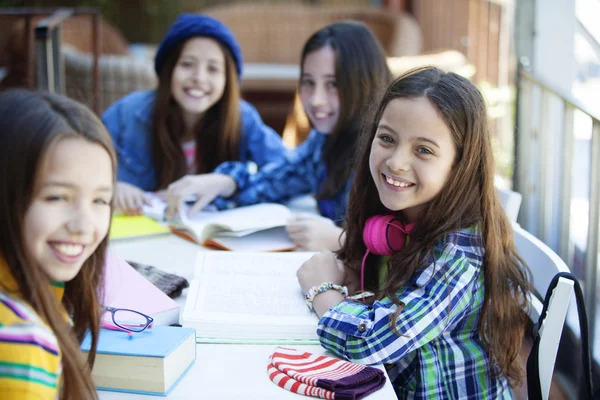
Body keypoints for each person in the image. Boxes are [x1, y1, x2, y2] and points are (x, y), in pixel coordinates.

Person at [296, 67, 531, 398]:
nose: (396, 162)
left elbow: (372, 342)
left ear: (459, 165)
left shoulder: (458, 257)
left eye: (423, 150)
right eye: (387, 139)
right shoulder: (398, 223)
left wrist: (322, 291)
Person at [201, 21, 392, 251]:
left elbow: (412, 244)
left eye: (333, 84)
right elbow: (274, 181)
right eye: (309, 82)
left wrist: (343, 240)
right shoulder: (323, 141)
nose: (315, 100)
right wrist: (228, 181)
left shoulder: (387, 149)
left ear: (365, 83)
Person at [102, 13, 288, 215]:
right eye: (187, 64)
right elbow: (79, 168)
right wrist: (111, 186)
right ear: (169, 69)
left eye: (213, 69)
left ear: (228, 80)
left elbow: (289, 173)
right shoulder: (128, 113)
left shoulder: (243, 119)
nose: (199, 78)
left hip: (212, 238)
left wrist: (228, 181)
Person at [0, 89, 116, 399]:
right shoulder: (20, 341)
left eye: (100, 200)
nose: (83, 226)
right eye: (56, 197)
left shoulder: (44, 291)